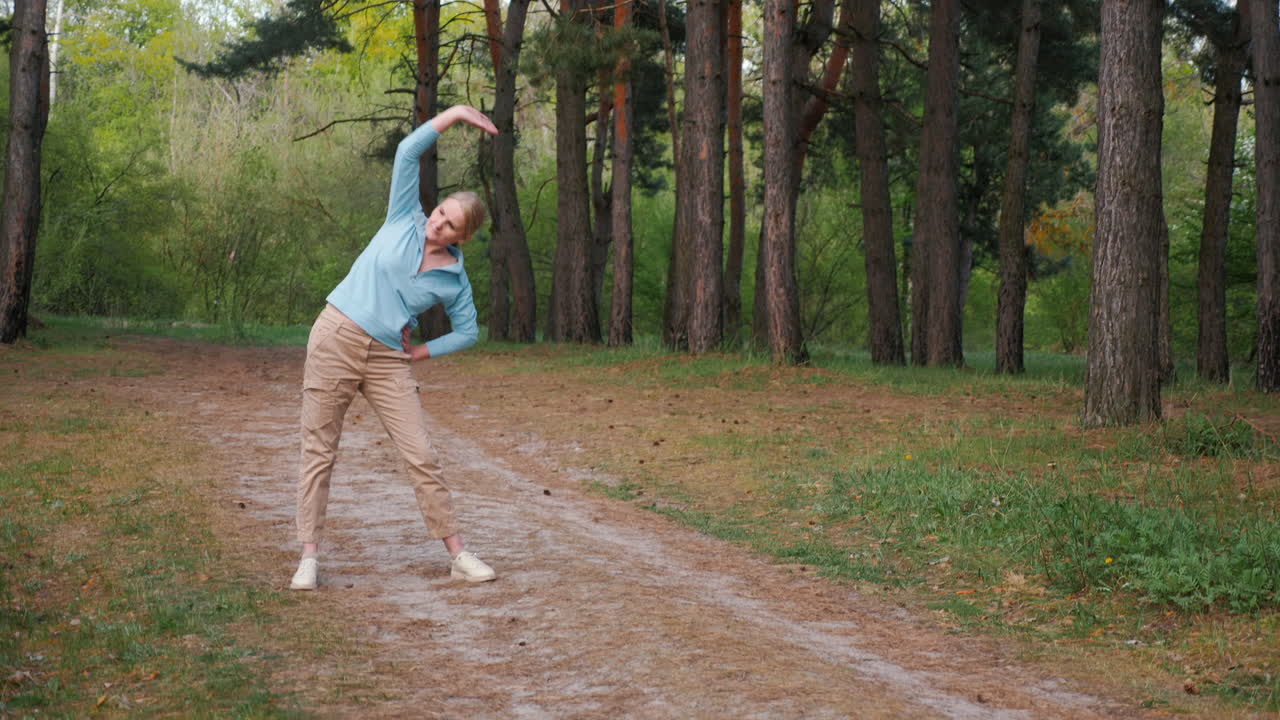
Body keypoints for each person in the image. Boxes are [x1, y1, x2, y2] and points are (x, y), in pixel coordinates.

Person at [290, 105, 499, 591]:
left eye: (450, 225)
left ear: (463, 238)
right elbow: (408, 151)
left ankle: (457, 553)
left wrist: (419, 355)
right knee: (319, 450)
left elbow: (469, 332)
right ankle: (308, 558)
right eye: (441, 212)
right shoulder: (405, 216)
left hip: (387, 358)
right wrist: (459, 113)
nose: (438, 224)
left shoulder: (455, 280)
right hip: (336, 336)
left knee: (421, 455)